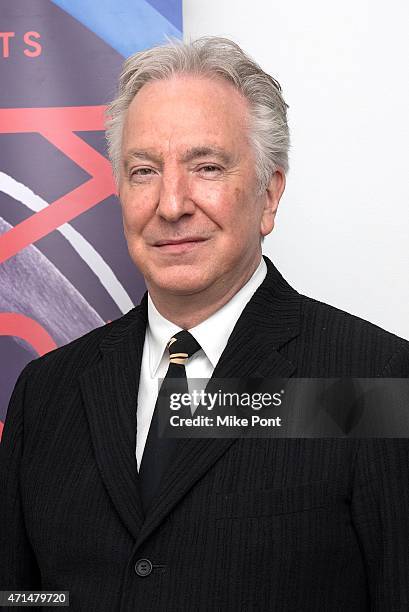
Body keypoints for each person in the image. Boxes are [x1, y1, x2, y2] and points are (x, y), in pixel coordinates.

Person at [1, 37, 408, 611]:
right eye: (144, 171)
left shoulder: (376, 382)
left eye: (207, 167)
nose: (171, 204)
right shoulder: (46, 393)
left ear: (269, 195)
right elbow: (23, 597)